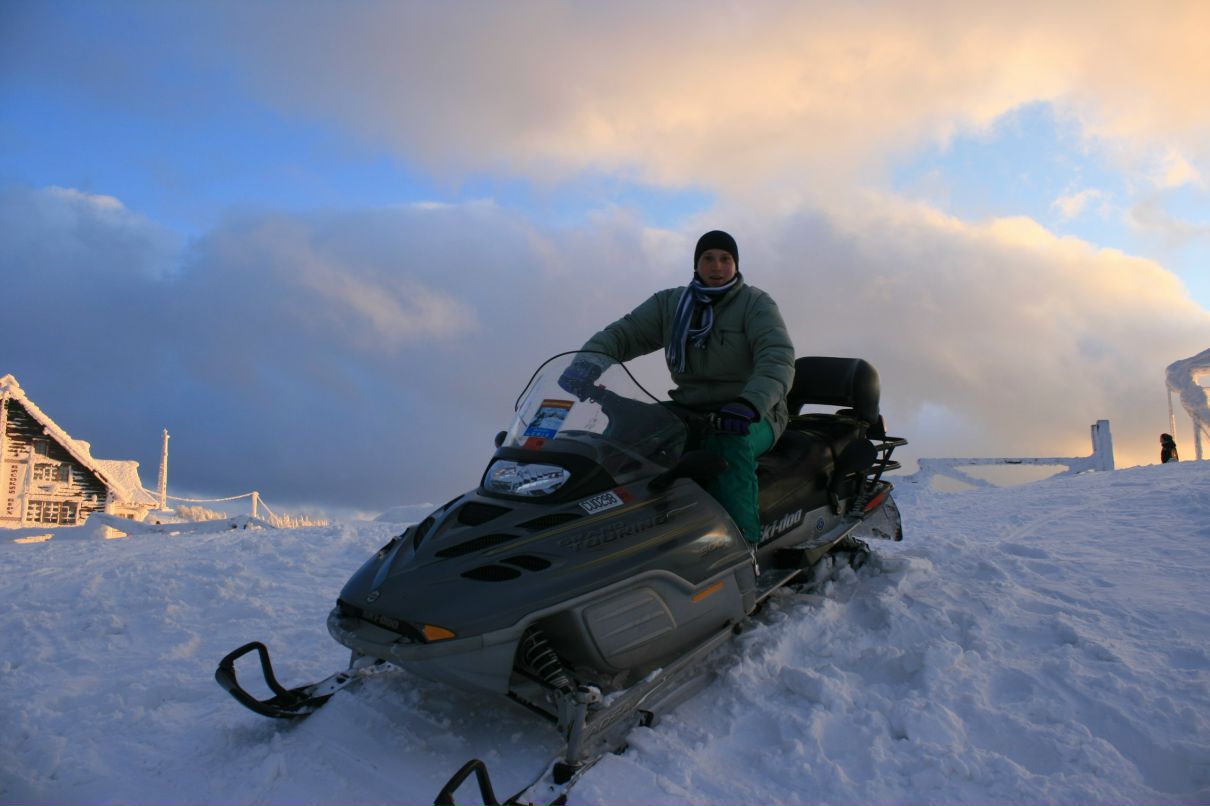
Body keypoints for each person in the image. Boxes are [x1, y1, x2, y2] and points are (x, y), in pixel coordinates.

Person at [559, 230, 794, 544]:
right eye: (708, 258)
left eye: (726, 259)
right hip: (690, 408)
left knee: (727, 446)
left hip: (753, 413)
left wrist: (750, 404)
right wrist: (586, 365)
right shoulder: (671, 304)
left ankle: (742, 546)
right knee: (627, 434)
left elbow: (776, 357)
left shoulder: (755, 304)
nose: (717, 266)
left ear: (735, 264)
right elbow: (622, 335)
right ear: (696, 264)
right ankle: (608, 528)